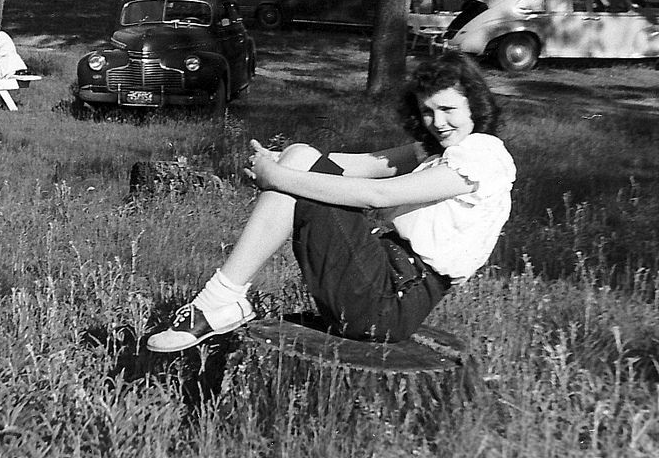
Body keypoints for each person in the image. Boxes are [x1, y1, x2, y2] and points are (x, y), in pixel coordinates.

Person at [147, 52, 516, 353]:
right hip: (379, 281)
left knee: (298, 169)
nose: (438, 122)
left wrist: (280, 178)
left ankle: (219, 302)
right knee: (300, 155)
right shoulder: (439, 151)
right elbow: (367, 166)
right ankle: (221, 301)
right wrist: (284, 160)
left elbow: (379, 194)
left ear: (474, 105)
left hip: (389, 301)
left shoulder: (482, 155)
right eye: (428, 112)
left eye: (449, 109)